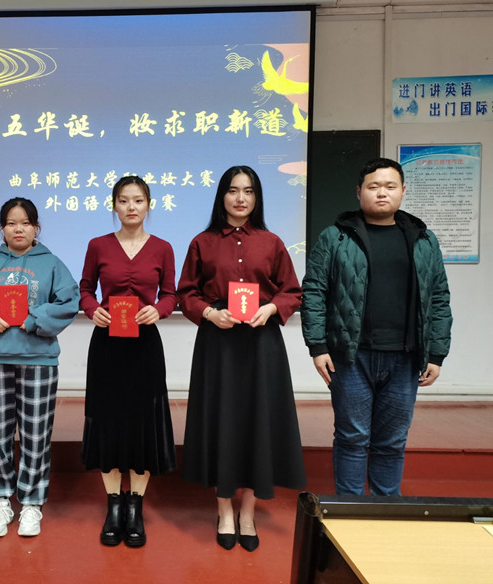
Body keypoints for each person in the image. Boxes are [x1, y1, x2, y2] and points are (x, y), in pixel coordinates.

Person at [301, 157, 452, 496]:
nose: (382, 193)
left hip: (405, 357)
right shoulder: (336, 237)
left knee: (392, 441)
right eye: (373, 186)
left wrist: (437, 353)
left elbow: (439, 297)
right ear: (359, 192)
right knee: (352, 438)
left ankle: (387, 511)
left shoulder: (424, 240)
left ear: (403, 191)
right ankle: (349, 514)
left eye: (390, 186)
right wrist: (318, 346)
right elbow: (314, 291)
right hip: (350, 357)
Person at [177, 166, 306, 552]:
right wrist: (209, 313)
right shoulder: (202, 242)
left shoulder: (272, 242)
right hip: (218, 343)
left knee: (256, 421)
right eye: (233, 191)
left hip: (260, 343)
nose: (240, 198)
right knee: (221, 419)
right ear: (222, 196)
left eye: (248, 191)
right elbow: (186, 293)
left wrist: (271, 309)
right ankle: (224, 509)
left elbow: (292, 291)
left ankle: (247, 511)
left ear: (256, 198)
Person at [0, 197, 79, 538]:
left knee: (35, 434)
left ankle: (31, 503)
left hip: (38, 359)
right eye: (11, 223)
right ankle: (1, 500)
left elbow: (68, 301)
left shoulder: (51, 263)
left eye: (25, 223)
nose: (18, 229)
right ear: (2, 229)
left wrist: (35, 319)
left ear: (36, 228)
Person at [79, 176, 177, 548]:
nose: (131, 207)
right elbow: (85, 288)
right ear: (114, 206)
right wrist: (92, 309)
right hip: (107, 344)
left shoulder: (163, 248)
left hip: (144, 345)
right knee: (108, 420)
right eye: (123, 200)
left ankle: (135, 506)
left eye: (138, 200)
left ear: (149, 205)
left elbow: (171, 294)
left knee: (142, 422)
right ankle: (114, 505)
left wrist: (159, 310)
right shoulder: (98, 245)